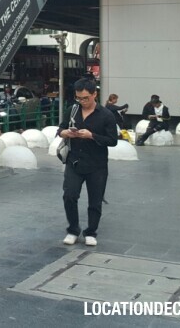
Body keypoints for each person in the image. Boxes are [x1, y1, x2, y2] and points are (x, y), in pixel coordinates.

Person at [59, 77, 118, 246]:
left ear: (94, 94)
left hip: (97, 164)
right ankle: (73, 229)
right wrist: (65, 133)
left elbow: (112, 140)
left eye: (85, 97)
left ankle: (91, 231)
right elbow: (61, 128)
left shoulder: (106, 115)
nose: (82, 101)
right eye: (79, 98)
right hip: (74, 161)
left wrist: (91, 136)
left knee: (95, 199)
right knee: (69, 195)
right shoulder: (72, 110)